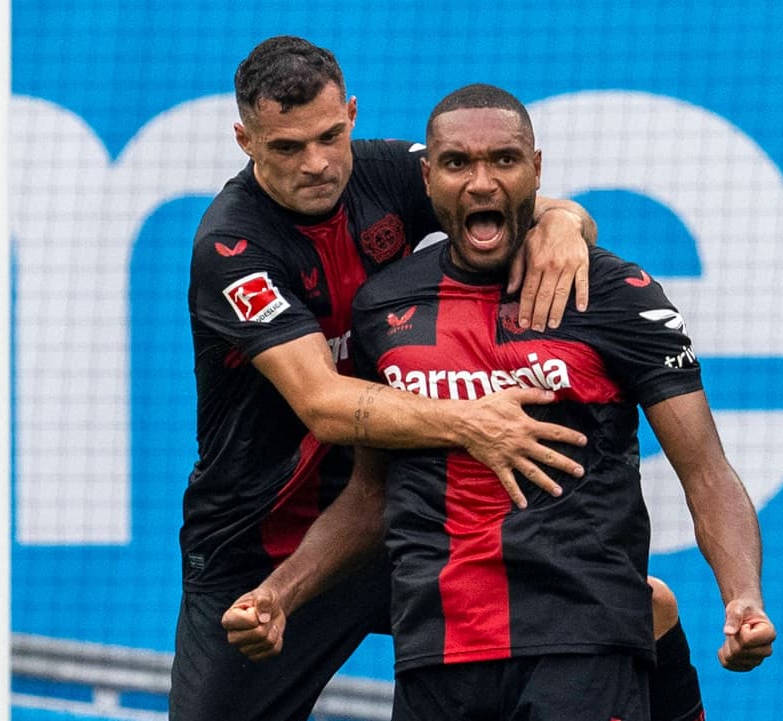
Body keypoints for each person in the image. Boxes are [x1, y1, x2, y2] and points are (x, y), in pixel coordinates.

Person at [170, 37, 599, 721]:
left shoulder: (386, 173)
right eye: (286, 148)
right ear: (244, 139)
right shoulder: (232, 247)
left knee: (610, 614)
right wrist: (472, 420)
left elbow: (508, 194)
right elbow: (324, 405)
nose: (316, 164)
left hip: (396, 521)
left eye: (330, 135)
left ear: (352, 114)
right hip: (258, 547)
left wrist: (564, 221)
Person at [344, 83, 775, 720]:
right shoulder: (382, 307)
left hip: (586, 642)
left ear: (537, 170)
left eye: (505, 161)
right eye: (459, 163)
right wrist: (280, 592)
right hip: (437, 651)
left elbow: (705, 470)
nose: (482, 183)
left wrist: (743, 596)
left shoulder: (613, 291)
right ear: (428, 179)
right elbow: (367, 496)